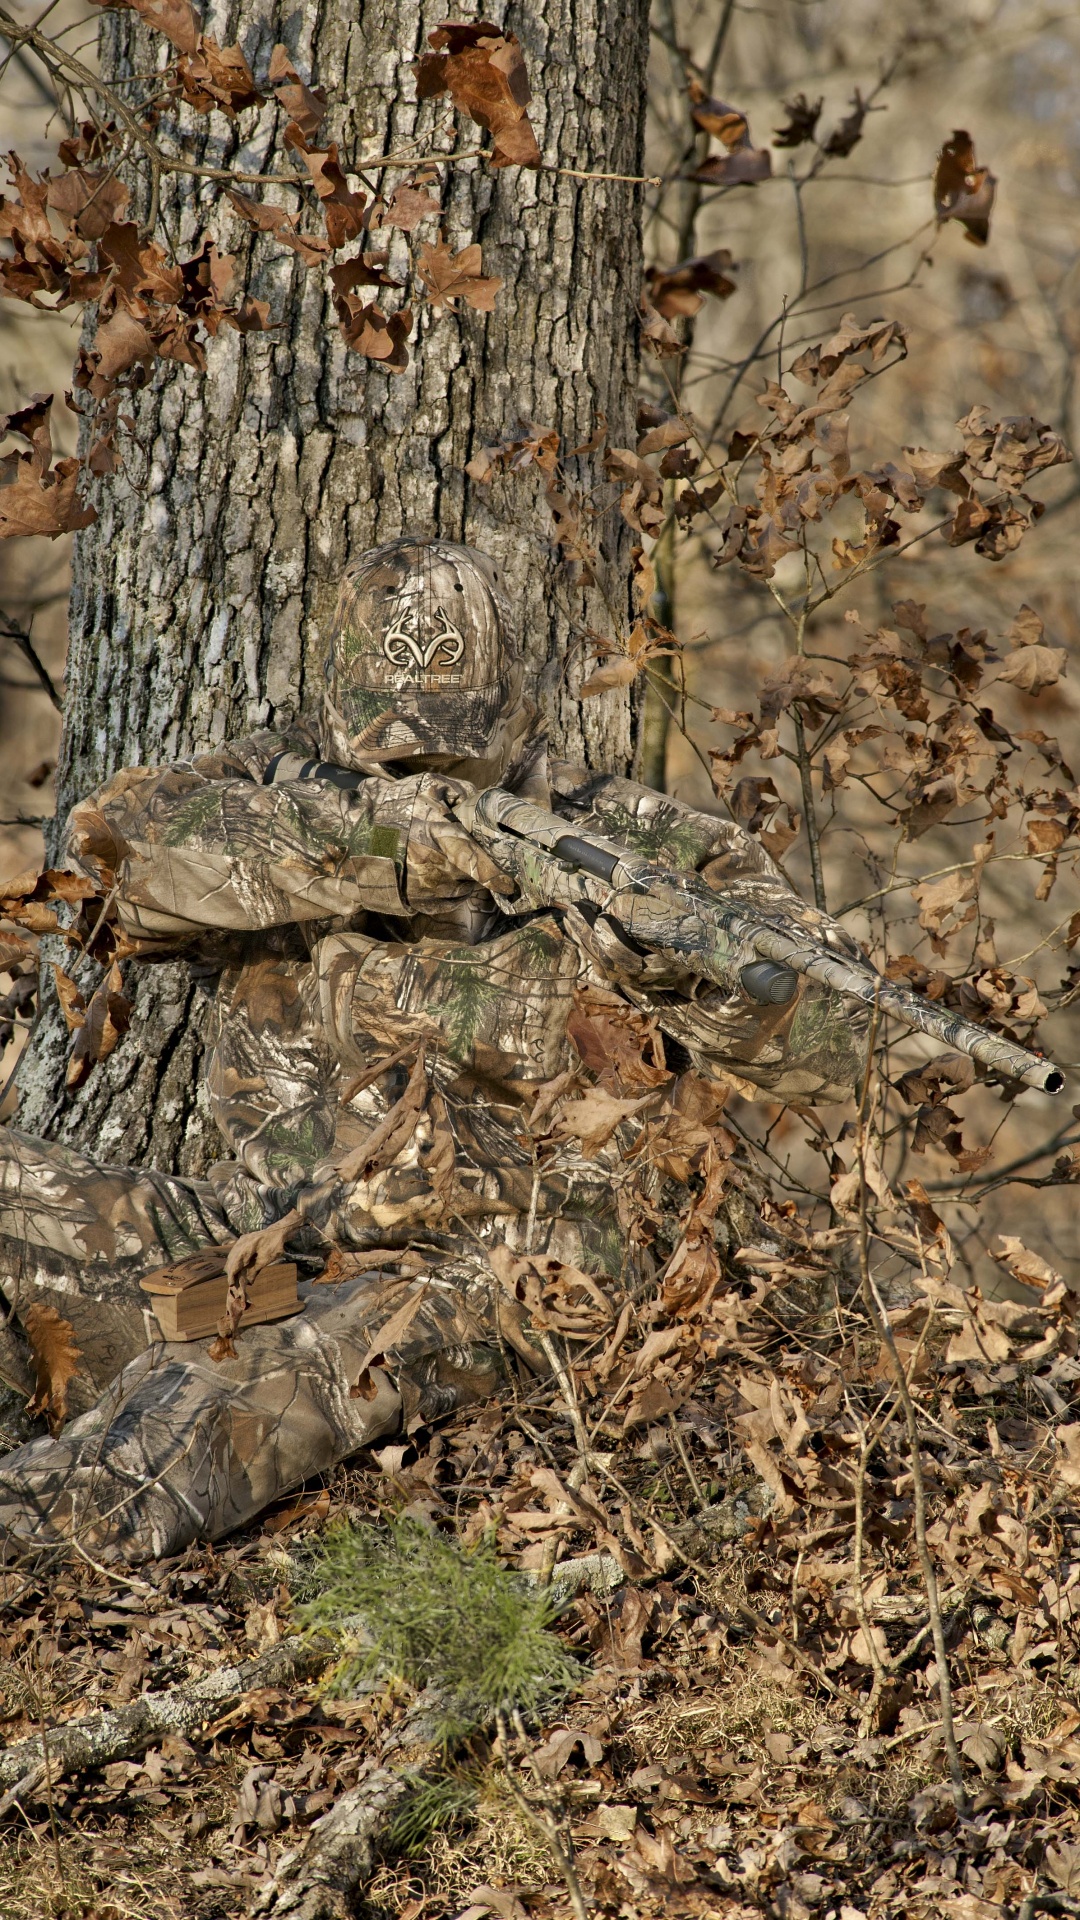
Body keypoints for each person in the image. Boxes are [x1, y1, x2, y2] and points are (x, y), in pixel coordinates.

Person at [0, 537, 868, 1562]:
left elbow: (830, 1044)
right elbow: (101, 867)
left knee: (183, 1422)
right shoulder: (273, 787)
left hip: (486, 1277)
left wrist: (670, 969)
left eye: (453, 747)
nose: (422, 769)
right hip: (254, 1232)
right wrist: (381, 848)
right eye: (391, 749)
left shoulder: (634, 844)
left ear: (518, 710)